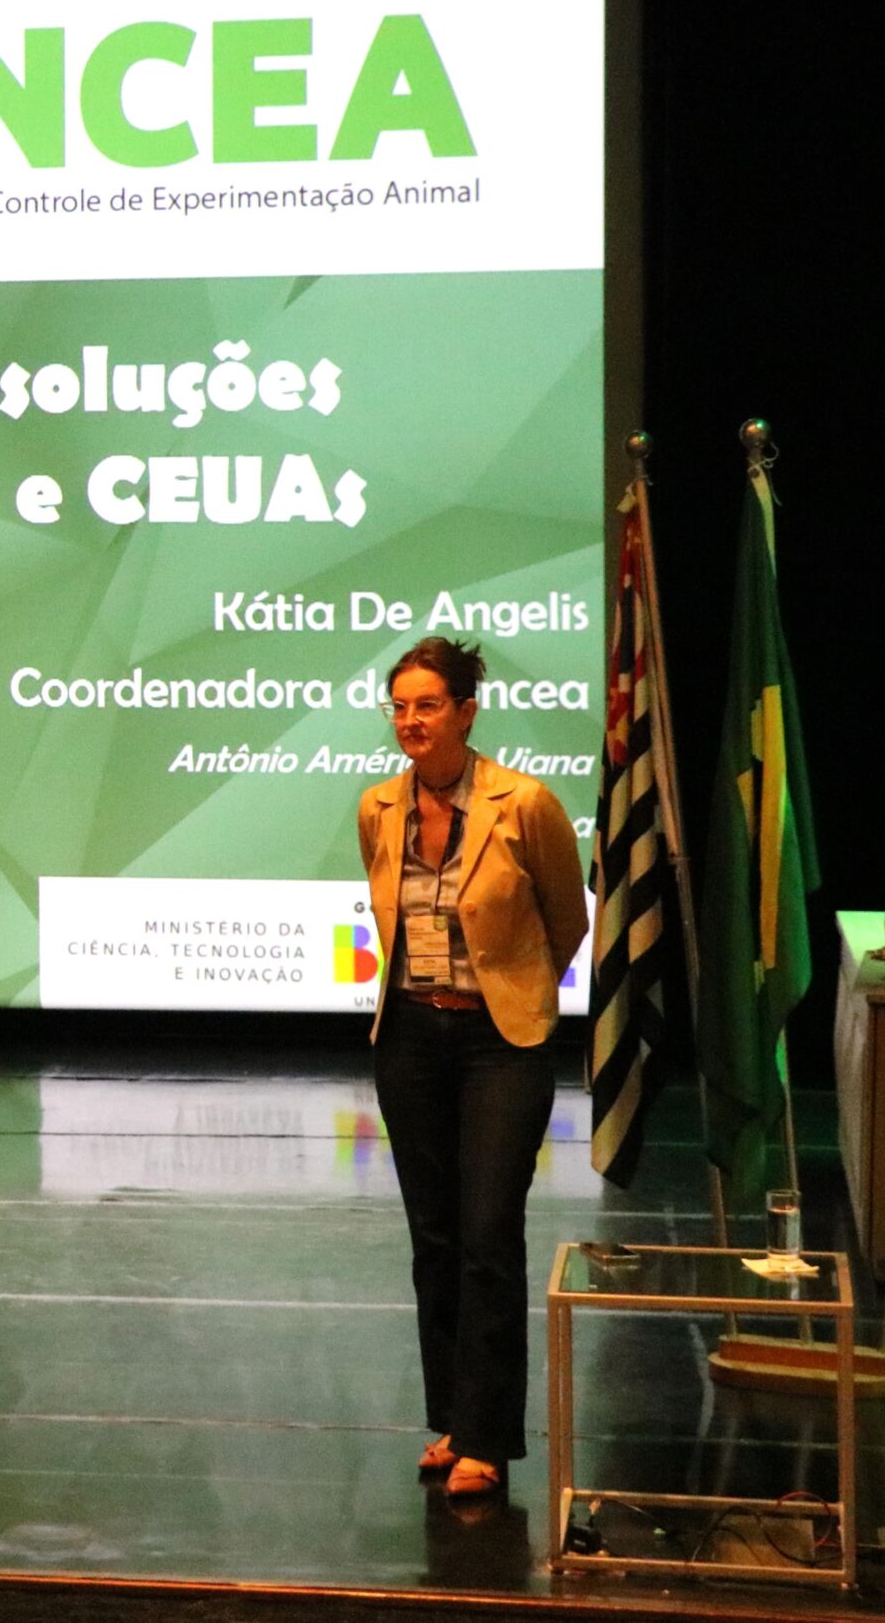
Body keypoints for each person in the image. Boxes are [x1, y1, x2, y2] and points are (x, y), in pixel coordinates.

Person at [355, 637, 588, 1501]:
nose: (411, 721)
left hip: (501, 1041)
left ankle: (489, 1437)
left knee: (489, 1233)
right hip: (410, 1038)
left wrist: (511, 990)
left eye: (427, 705)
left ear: (464, 710)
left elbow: (565, 919)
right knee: (436, 1238)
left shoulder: (524, 803)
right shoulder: (379, 807)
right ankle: (453, 1418)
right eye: (399, 706)